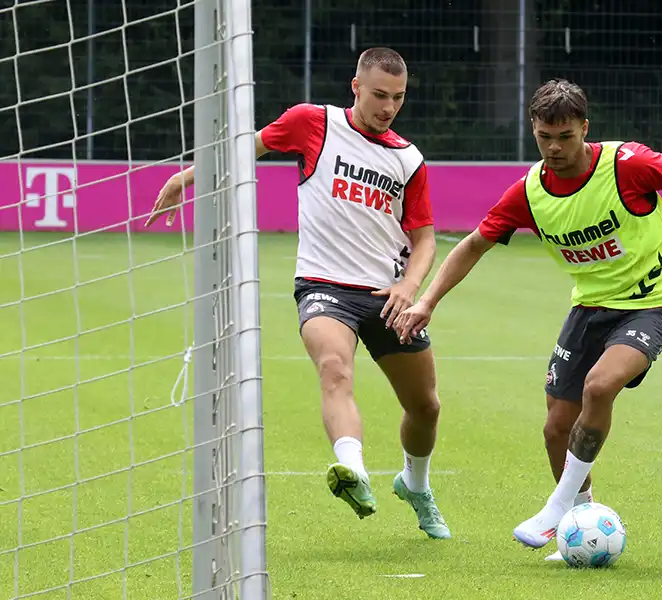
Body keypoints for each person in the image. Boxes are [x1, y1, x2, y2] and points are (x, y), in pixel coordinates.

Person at [392, 78, 662, 554]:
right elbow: (474, 244)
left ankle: (558, 507)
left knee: (599, 387)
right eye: (544, 137)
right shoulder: (530, 192)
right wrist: (427, 301)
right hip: (590, 306)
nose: (555, 148)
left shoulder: (627, 165)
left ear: (585, 128)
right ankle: (579, 525)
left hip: (655, 300)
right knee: (557, 426)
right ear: (533, 131)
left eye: (566, 136)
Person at [146, 47, 451, 540]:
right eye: (379, 95)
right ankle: (352, 468)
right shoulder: (314, 123)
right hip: (324, 286)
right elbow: (248, 145)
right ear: (356, 87)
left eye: (397, 97)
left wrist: (410, 286)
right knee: (335, 368)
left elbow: (426, 239)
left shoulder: (408, 159)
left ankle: (415, 483)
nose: (388, 106)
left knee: (426, 407)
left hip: (388, 294)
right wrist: (186, 176)